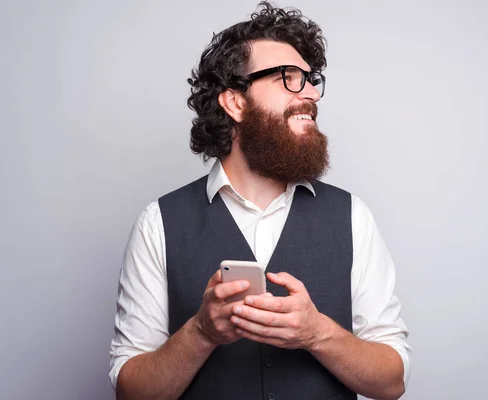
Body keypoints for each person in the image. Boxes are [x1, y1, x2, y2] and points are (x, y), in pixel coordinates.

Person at [109, 2, 411, 399]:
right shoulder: (159, 223)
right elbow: (133, 393)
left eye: (311, 78)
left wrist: (317, 333)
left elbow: (391, 384)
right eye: (289, 78)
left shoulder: (352, 216)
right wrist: (201, 332)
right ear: (235, 102)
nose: (313, 94)